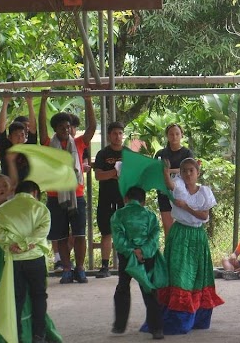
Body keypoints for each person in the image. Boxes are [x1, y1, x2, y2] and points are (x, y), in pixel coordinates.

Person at [0, 174, 61, 343]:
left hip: (13, 260)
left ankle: (16, 334)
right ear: (34, 192)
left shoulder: (2, 210)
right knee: (39, 296)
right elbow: (43, 230)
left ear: (15, 191)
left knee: (16, 298)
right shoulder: (40, 208)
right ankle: (38, 335)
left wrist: (13, 245)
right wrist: (27, 244)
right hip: (35, 259)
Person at [157, 158, 223, 334]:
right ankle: (176, 318)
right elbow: (169, 184)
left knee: (198, 275)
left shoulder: (205, 192)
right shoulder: (178, 187)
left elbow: (203, 216)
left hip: (197, 236)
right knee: (178, 273)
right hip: (179, 233)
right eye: (184, 170)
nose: (187, 174)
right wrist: (165, 170)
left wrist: (186, 207)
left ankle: (197, 316)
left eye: (191, 171)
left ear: (197, 173)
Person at [39, 90, 96, 283]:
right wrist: (43, 100)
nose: (66, 129)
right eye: (62, 127)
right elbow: (41, 130)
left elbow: (92, 127)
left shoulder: (79, 143)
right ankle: (66, 268)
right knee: (61, 236)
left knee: (79, 234)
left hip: (76, 195)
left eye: (68, 126)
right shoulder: (48, 144)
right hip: (55, 197)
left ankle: (80, 269)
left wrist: (88, 101)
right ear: (55, 129)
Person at [111, 186, 165, 340]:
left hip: (126, 257)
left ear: (125, 199)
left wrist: (131, 251)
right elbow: (154, 237)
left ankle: (119, 325)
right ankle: (157, 329)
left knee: (122, 287)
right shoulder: (150, 215)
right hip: (147, 256)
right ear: (143, 201)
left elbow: (118, 238)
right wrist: (143, 251)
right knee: (149, 288)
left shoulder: (118, 215)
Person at [94, 121, 126, 278]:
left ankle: (126, 264)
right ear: (109, 135)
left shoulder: (128, 153)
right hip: (106, 197)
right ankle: (105, 266)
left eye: (120, 133)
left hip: (124, 198)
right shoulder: (102, 154)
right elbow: (98, 175)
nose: (117, 136)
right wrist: (115, 173)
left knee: (124, 232)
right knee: (106, 232)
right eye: (114, 133)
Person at [155, 123, 194, 236]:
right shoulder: (161, 154)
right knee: (168, 226)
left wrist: (168, 171)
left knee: (182, 225)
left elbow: (189, 169)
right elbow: (155, 169)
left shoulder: (187, 153)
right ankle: (169, 252)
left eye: (177, 134)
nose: (174, 136)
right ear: (167, 136)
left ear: (182, 135)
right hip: (164, 192)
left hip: (182, 193)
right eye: (171, 134)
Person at [0, 93, 38, 181]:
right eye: (16, 135)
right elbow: (1, 127)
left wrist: (30, 103)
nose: (20, 138)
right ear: (10, 137)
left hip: (25, 186)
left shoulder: (28, 147)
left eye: (22, 135)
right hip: (8, 187)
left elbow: (33, 128)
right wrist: (5, 102)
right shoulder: (5, 146)